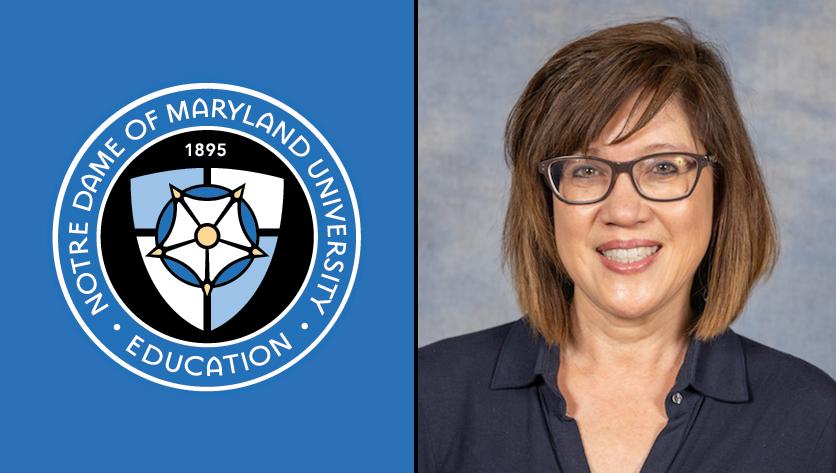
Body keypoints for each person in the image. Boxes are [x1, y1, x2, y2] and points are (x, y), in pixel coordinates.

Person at [418, 18, 836, 473]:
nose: (624, 209)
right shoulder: (425, 399)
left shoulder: (812, 421)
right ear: (546, 202)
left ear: (722, 194)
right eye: (586, 169)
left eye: (663, 168)